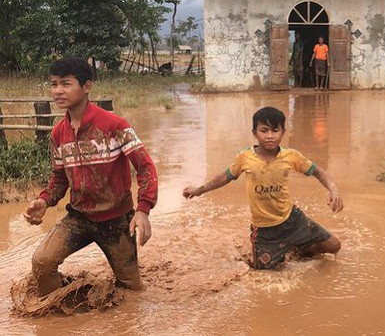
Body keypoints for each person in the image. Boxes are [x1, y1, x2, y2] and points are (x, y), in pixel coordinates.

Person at [24, 57, 158, 296]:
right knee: (42, 263)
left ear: (86, 86)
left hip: (117, 220)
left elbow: (145, 167)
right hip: (80, 218)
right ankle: (60, 316)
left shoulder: (115, 125)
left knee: (132, 291)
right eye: (54, 84)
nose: (57, 91)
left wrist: (143, 210)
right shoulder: (58, 134)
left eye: (65, 83)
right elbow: (59, 178)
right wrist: (44, 200)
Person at [182, 107, 342, 269]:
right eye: (264, 130)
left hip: (292, 220)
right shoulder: (245, 157)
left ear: (283, 132)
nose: (270, 136)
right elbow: (224, 177)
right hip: (264, 231)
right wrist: (199, 190)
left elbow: (317, 171)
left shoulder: (291, 156)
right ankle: (283, 249)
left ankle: (300, 249)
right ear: (254, 132)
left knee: (334, 246)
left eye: (275, 130)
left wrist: (333, 189)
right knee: (264, 274)